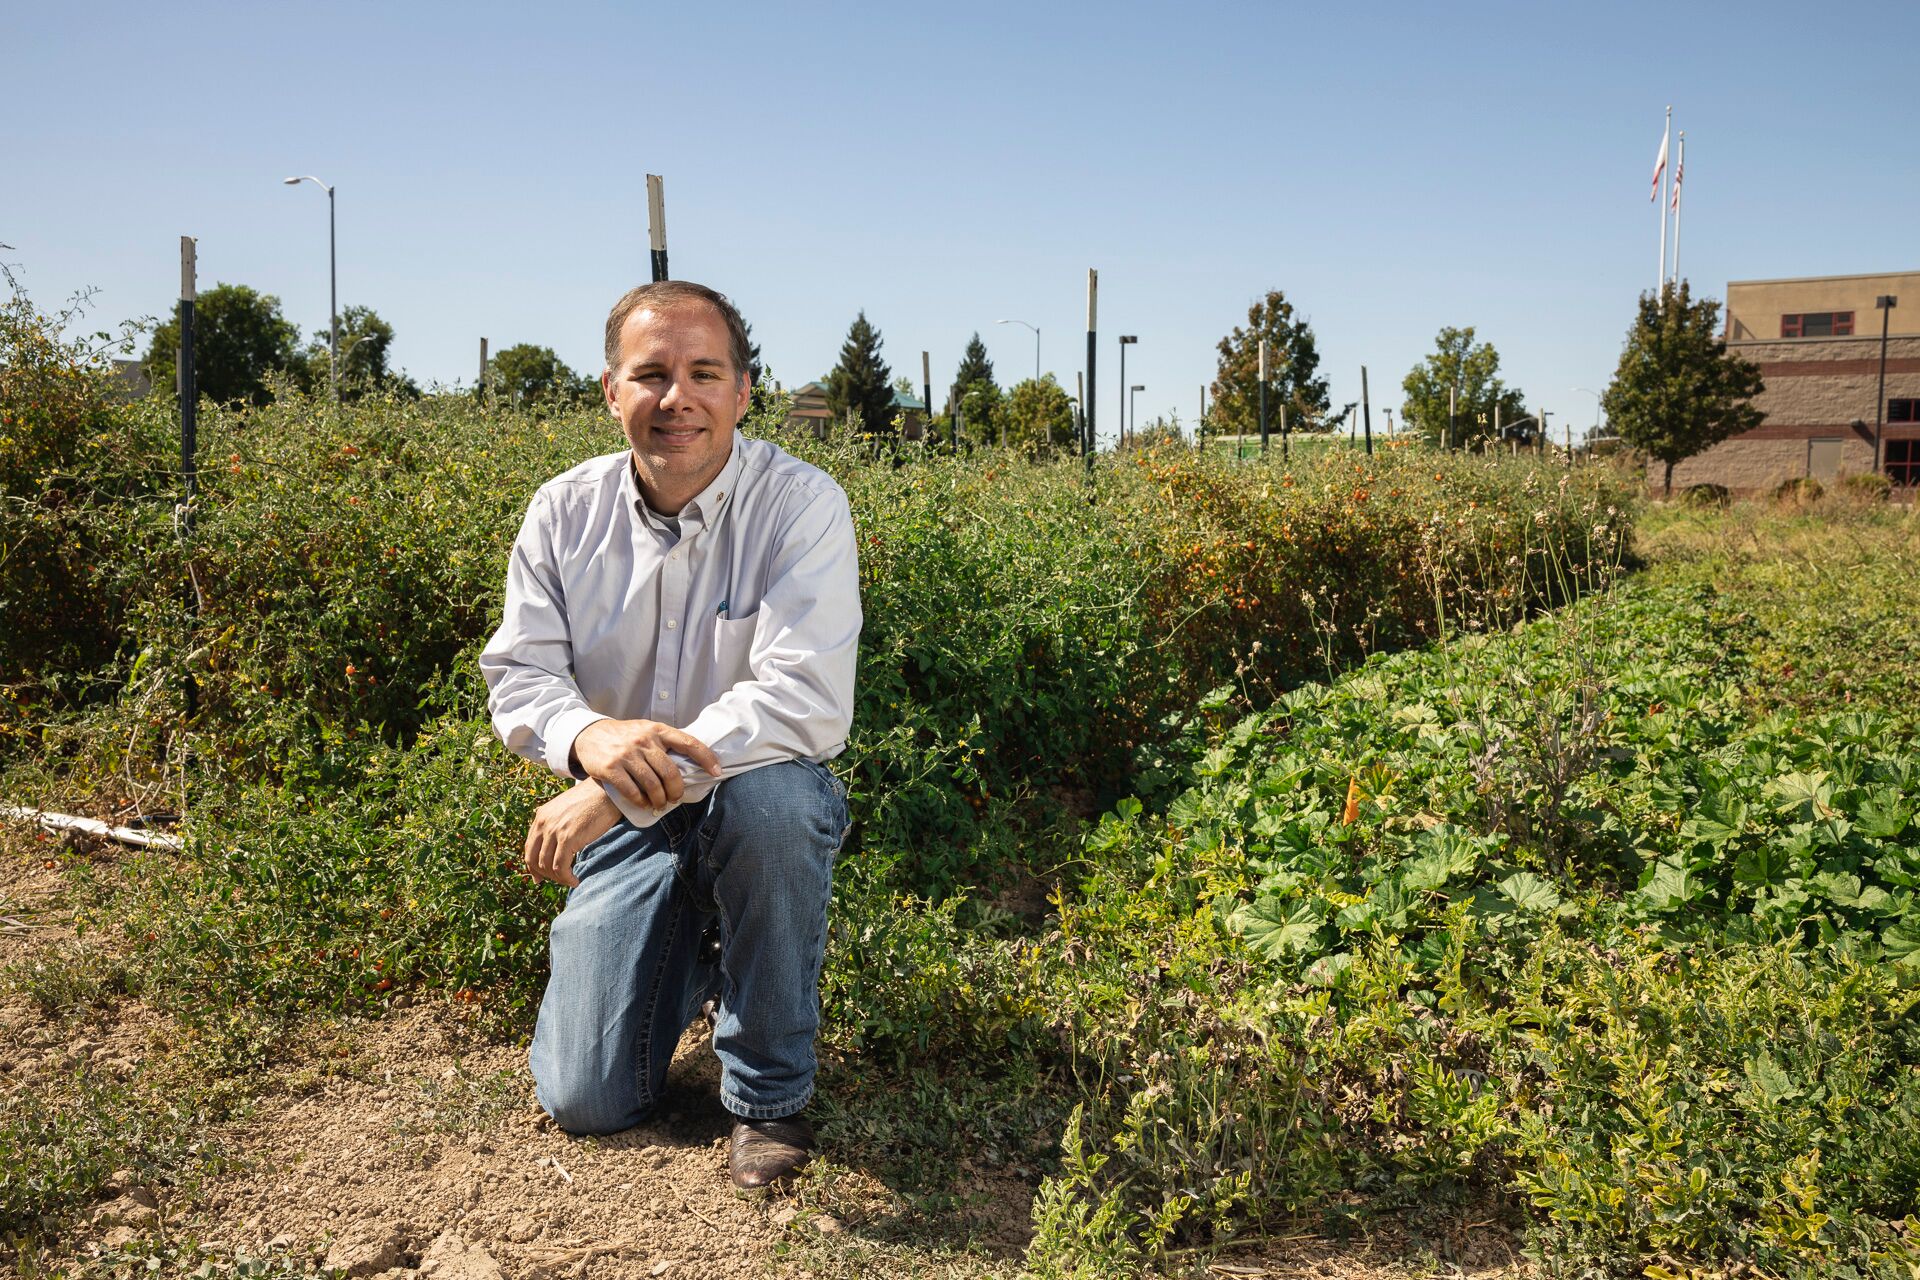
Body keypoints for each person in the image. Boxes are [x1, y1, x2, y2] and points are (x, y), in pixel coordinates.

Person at [479, 280, 860, 1191]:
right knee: (586, 1099)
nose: (676, 398)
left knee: (769, 811)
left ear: (743, 390)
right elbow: (522, 672)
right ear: (611, 391)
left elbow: (804, 696)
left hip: (749, 791)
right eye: (650, 374)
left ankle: (768, 1096)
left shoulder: (801, 505)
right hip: (635, 830)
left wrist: (611, 785)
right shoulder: (563, 511)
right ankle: (701, 938)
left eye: (703, 373)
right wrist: (582, 738)